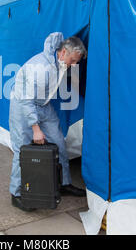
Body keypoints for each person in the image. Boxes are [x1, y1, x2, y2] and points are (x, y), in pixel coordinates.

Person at [9, 32, 87, 211]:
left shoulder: (59, 62)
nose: (74, 65)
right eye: (73, 60)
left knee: (59, 142)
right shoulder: (41, 66)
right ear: (64, 52)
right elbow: (27, 99)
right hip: (23, 105)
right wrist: (36, 129)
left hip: (43, 105)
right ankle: (16, 193)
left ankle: (64, 183)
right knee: (21, 149)